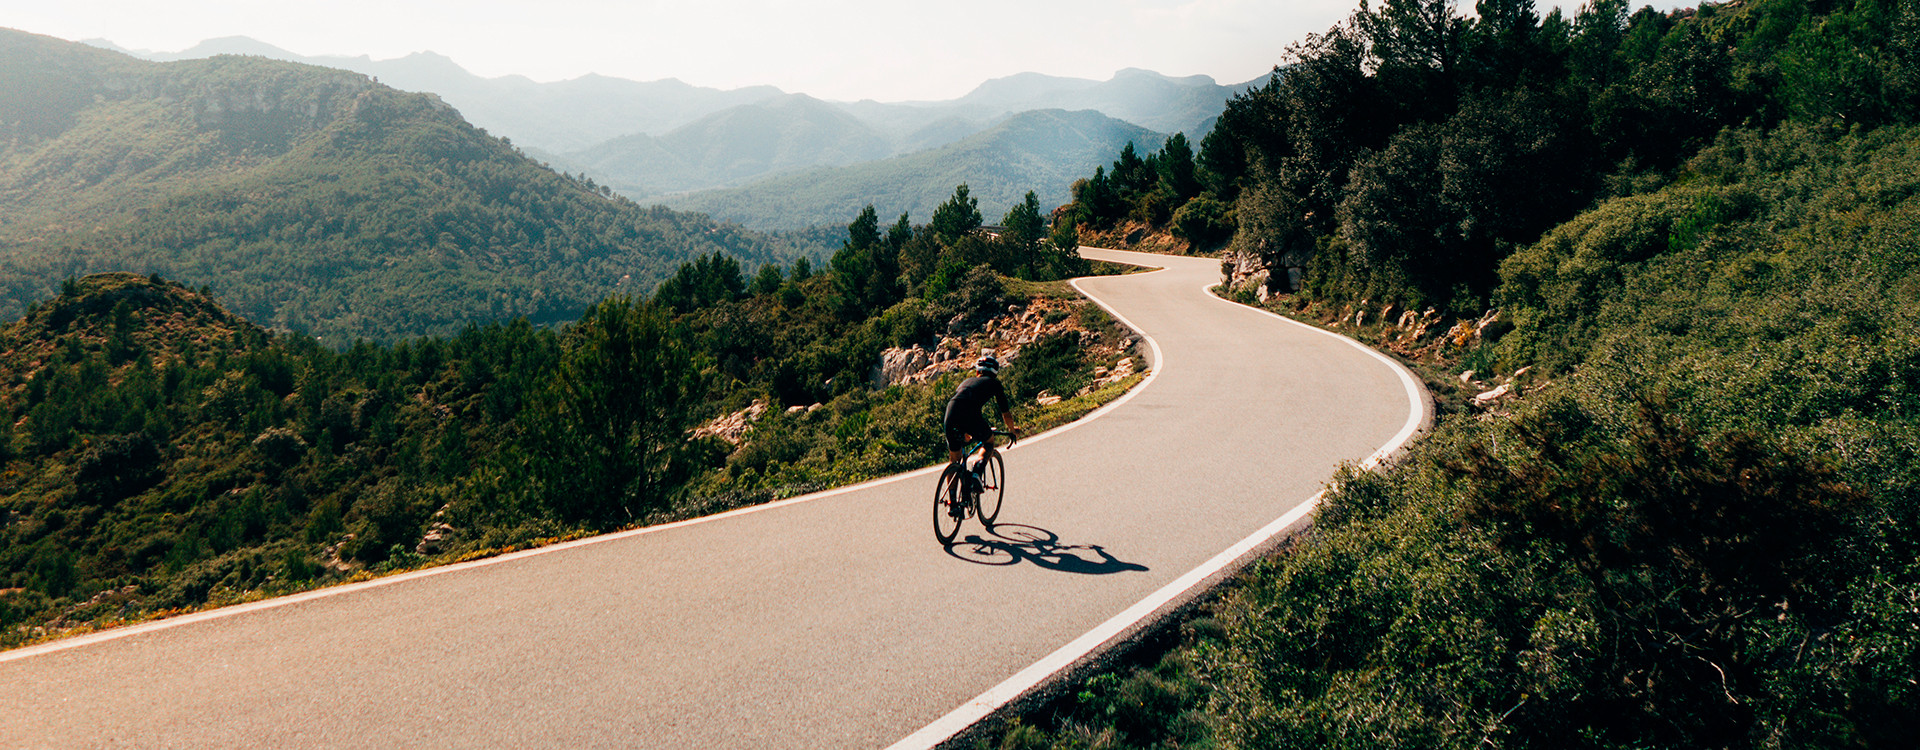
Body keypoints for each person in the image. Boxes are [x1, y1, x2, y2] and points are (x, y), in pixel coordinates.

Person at [944, 353, 1022, 489]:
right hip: (969, 413)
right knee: (988, 441)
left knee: (954, 459)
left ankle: (952, 503)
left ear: (977, 371)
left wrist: (966, 432)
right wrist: (1012, 430)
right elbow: (1006, 413)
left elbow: (961, 404)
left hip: (950, 412)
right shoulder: (995, 384)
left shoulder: (966, 382)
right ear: (995, 374)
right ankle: (976, 473)